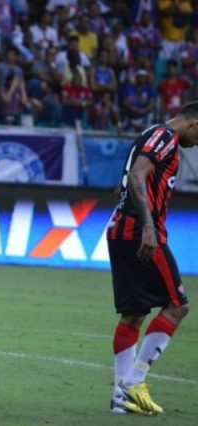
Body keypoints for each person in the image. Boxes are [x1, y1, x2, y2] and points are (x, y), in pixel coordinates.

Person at [107, 102, 198, 415]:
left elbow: (125, 180)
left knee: (133, 313)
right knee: (178, 305)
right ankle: (133, 382)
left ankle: (121, 399)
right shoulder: (166, 137)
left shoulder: (149, 133)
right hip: (140, 230)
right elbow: (137, 176)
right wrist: (147, 225)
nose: (197, 144)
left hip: (121, 226)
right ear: (194, 123)